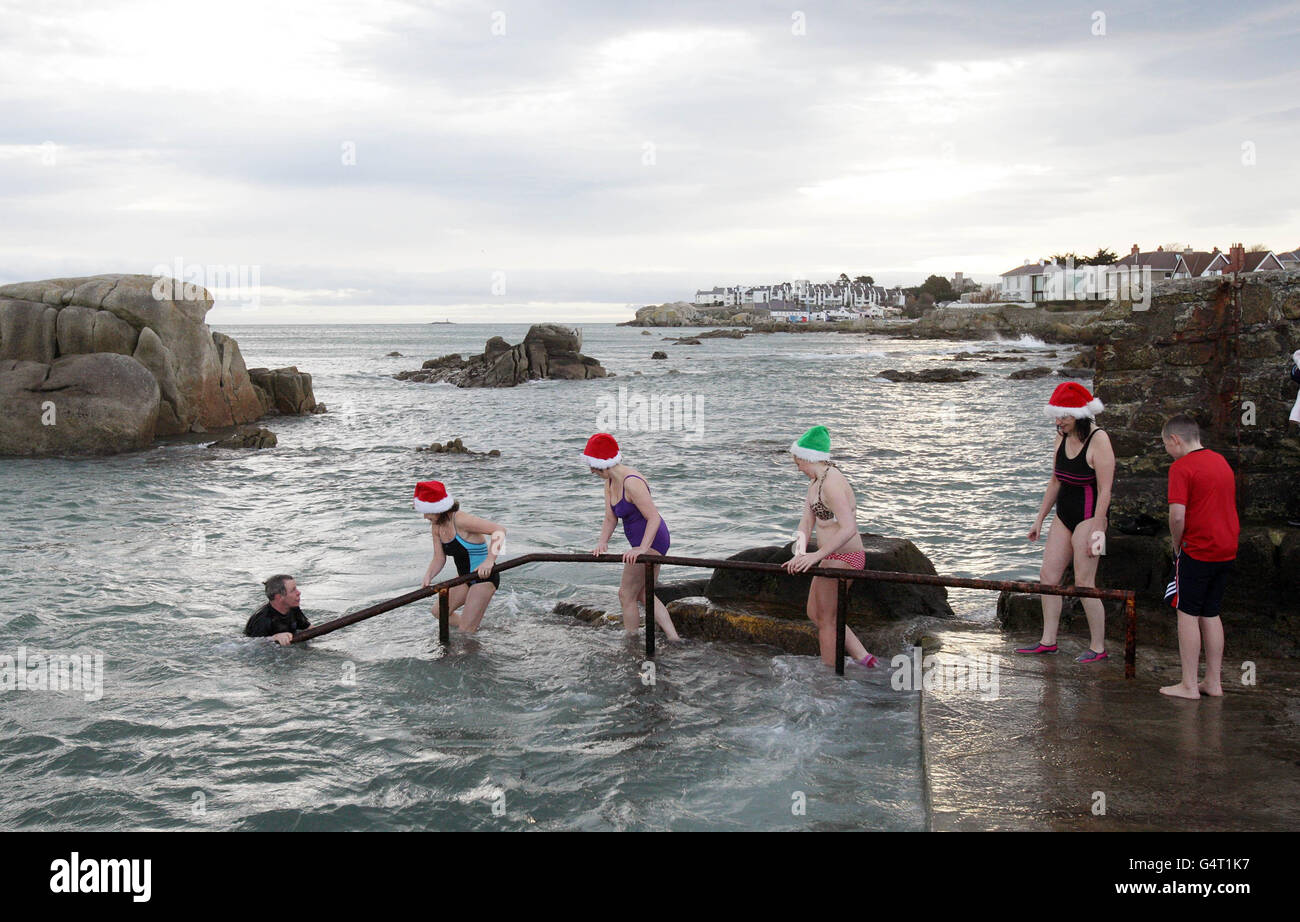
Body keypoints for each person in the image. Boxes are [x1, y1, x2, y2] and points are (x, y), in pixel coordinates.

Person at [1017, 382, 1115, 663]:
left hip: (1091, 518)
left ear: (1080, 415)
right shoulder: (1060, 436)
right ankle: (1048, 641)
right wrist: (1039, 519)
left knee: (1085, 583)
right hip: (1064, 515)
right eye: (1056, 416)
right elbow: (1056, 480)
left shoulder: (1100, 440)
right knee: (1048, 577)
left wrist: (1098, 528)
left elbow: (1106, 489)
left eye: (1064, 416)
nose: (1058, 422)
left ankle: (1098, 647)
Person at [781, 426, 878, 669]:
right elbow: (805, 523)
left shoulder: (833, 482)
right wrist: (800, 553)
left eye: (798, 463)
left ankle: (830, 679)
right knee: (815, 613)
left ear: (806, 457)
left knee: (826, 619)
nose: (798, 468)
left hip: (847, 556)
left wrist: (817, 556)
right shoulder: (815, 483)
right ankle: (865, 659)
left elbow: (849, 528)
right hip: (830, 556)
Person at [1158, 415, 1239, 699]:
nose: (1167, 450)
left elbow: (1177, 516)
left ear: (1175, 440)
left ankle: (1189, 685)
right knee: (1211, 612)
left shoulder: (1181, 468)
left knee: (1188, 613)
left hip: (1198, 548)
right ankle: (1213, 682)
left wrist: (1177, 546)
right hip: (1227, 546)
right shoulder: (1221, 461)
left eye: (1165, 444)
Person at [583, 433, 681, 643]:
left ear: (603, 463)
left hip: (653, 540)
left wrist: (642, 549)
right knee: (644, 594)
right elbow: (610, 518)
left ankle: (632, 642)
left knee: (625, 594)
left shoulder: (632, 482)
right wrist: (602, 542)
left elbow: (653, 517)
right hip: (641, 542)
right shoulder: (609, 483)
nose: (591, 470)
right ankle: (674, 638)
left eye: (592, 465)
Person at [416, 480, 506, 634]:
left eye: (427, 511)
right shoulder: (436, 526)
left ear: (439, 508)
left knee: (465, 631)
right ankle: (474, 628)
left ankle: (470, 631)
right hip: (464, 578)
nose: (424, 516)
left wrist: (489, 561)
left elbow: (500, 530)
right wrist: (428, 576)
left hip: (484, 578)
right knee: (439, 612)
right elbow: (439, 558)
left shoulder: (461, 520)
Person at [245, 574, 309, 646]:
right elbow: (250, 645)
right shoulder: (262, 619)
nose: (298, 593)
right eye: (293, 590)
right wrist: (273, 638)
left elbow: (307, 628)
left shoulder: (293, 608)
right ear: (279, 597)